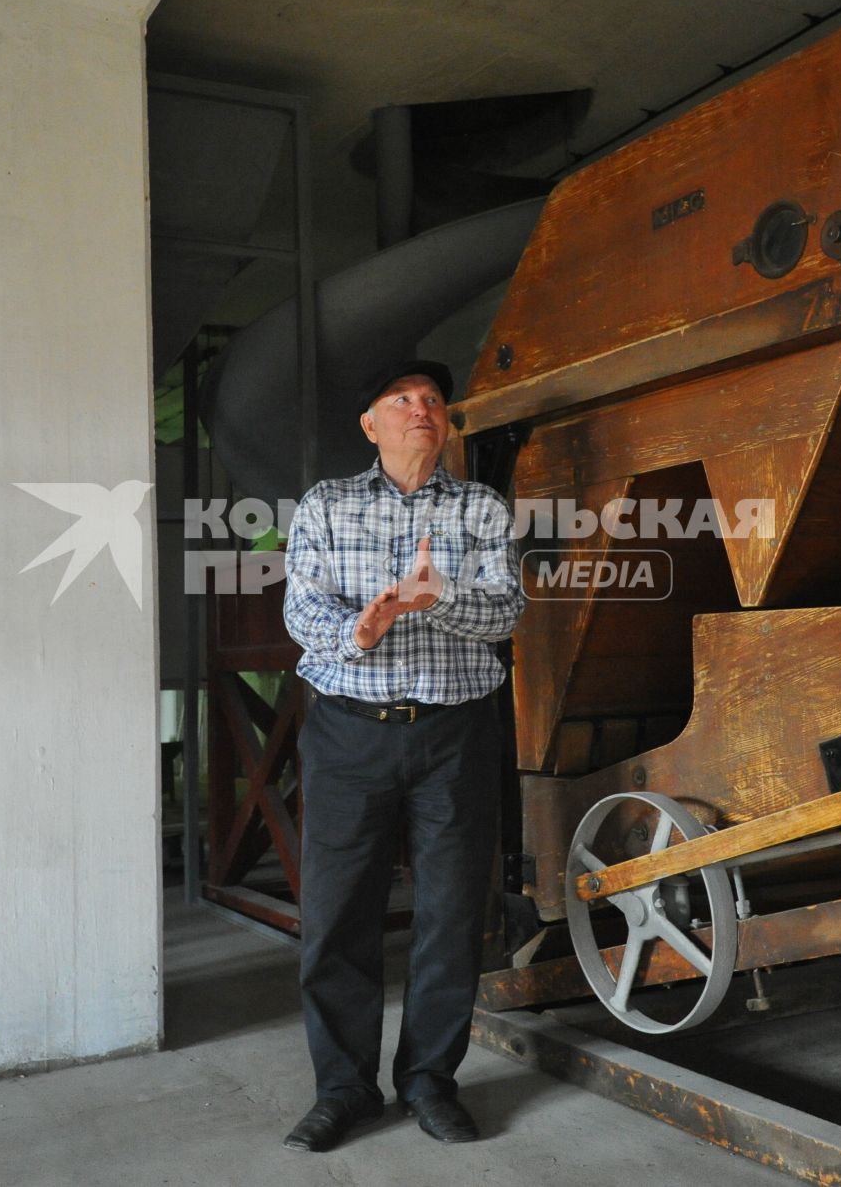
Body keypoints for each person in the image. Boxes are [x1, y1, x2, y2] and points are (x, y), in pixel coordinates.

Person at [279, 359, 525, 1152]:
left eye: (432, 401)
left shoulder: (481, 509)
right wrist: (363, 627)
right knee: (337, 915)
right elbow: (302, 606)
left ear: (446, 422)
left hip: (454, 734)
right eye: (402, 400)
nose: (421, 410)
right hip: (350, 731)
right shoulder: (327, 504)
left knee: (452, 914)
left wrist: (438, 597)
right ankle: (344, 1089)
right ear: (371, 424)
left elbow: (507, 609)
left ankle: (429, 1080)